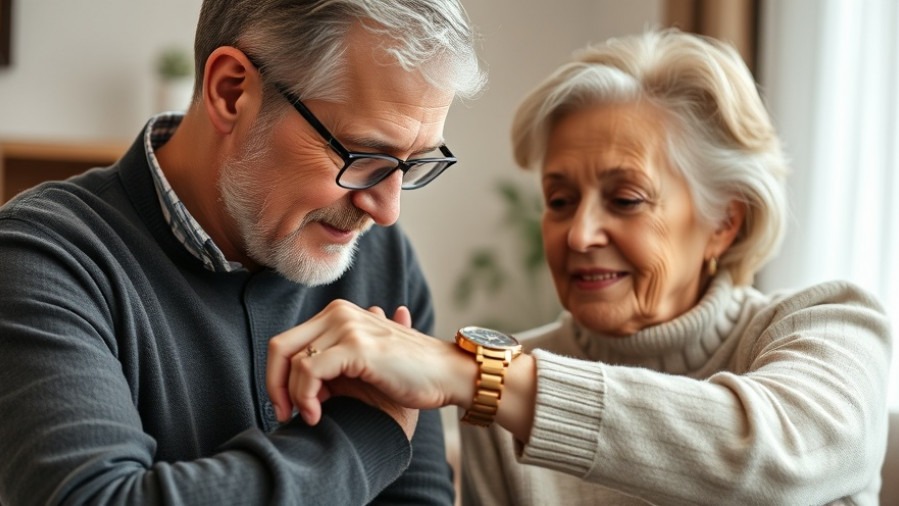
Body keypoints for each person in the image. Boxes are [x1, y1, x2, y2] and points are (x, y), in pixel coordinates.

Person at [263, 28, 893, 505]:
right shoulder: (501, 382)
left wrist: (475, 374)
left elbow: (784, 452)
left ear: (725, 221)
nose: (580, 232)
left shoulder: (830, 323)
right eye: (560, 201)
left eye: (625, 200)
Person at [0, 0, 486, 504]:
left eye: (413, 163)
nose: (386, 210)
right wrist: (369, 432)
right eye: (363, 155)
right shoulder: (43, 259)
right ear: (231, 91)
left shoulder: (382, 258)